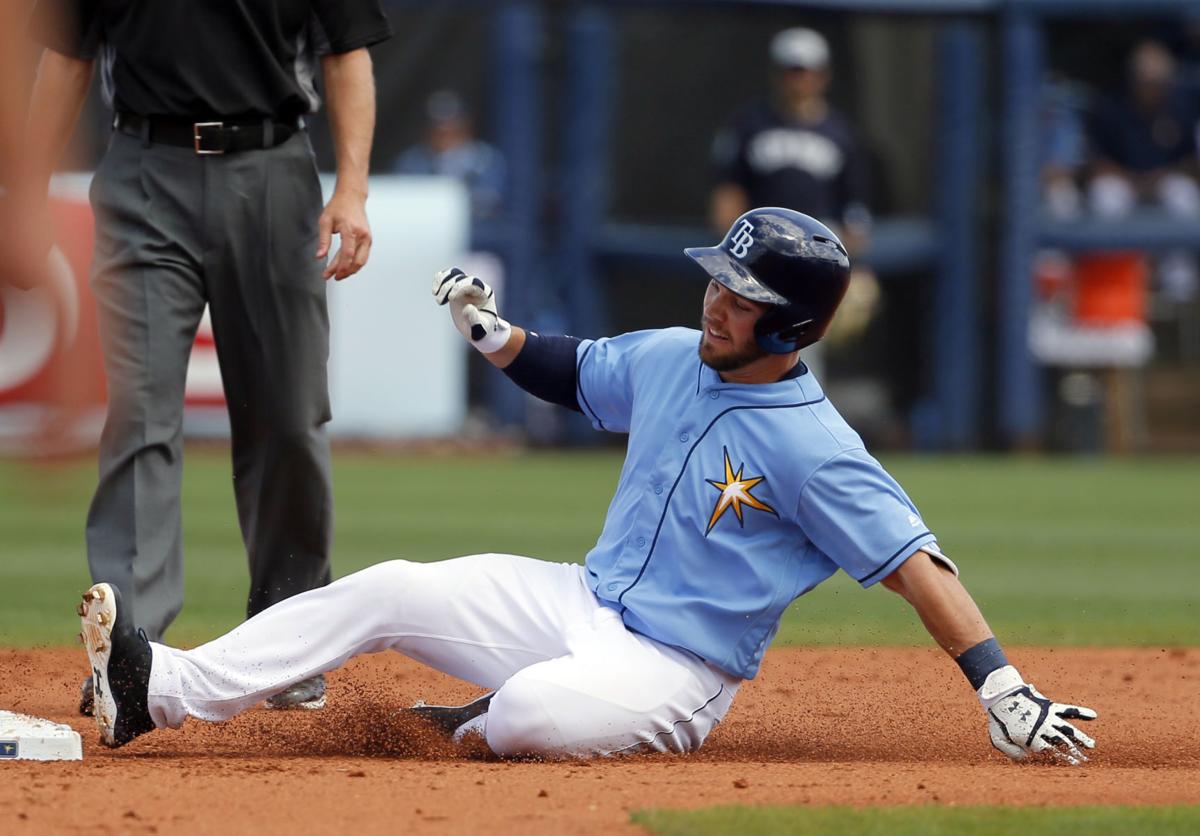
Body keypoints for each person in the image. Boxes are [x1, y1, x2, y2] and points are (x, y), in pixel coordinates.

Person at [77, 208, 1097, 763]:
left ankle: (481, 718)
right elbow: (567, 369)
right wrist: (487, 327)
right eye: (717, 280)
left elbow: (918, 564)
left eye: (741, 297)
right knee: (391, 584)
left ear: (792, 326)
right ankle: (158, 688)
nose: (716, 302)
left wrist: (1000, 684)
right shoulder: (674, 353)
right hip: (578, 598)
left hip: (677, 668)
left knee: (529, 718)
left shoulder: (818, 447)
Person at [28, 1, 393, 713]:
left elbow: (348, 54)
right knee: (137, 413)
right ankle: (127, 653)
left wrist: (351, 189)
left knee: (286, 418)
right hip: (142, 169)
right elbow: (67, 55)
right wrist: (29, 191)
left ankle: (288, 647)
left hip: (272, 168)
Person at [393, 90, 505, 220]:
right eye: (438, 129)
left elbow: (489, 202)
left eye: (452, 128)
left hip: (475, 232)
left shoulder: (485, 159)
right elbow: (403, 203)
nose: (445, 135)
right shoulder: (412, 161)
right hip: (426, 228)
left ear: (466, 127)